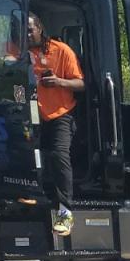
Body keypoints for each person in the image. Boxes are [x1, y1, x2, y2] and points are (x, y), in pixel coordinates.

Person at [21, 12, 84, 236]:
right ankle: (30, 202)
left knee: (59, 155)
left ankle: (65, 214)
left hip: (59, 115)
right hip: (28, 116)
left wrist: (58, 81)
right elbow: (10, 80)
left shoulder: (61, 50)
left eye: (30, 29)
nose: (27, 34)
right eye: (22, 30)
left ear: (40, 28)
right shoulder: (16, 51)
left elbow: (80, 83)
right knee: (24, 156)